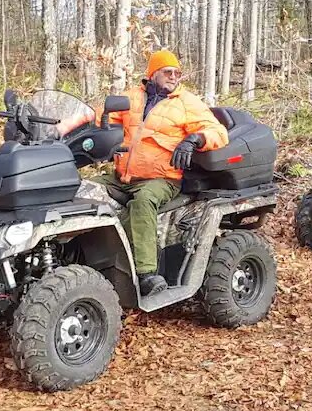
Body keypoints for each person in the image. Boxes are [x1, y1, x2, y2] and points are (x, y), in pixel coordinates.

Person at [96, 49, 229, 297]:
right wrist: (98, 136)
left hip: (162, 178)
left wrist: (195, 139)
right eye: (167, 72)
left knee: (143, 202)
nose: (173, 77)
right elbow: (103, 118)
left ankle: (146, 273)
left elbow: (218, 132)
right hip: (122, 176)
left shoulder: (186, 102)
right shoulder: (131, 98)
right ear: (153, 73)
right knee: (85, 190)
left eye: (177, 73)